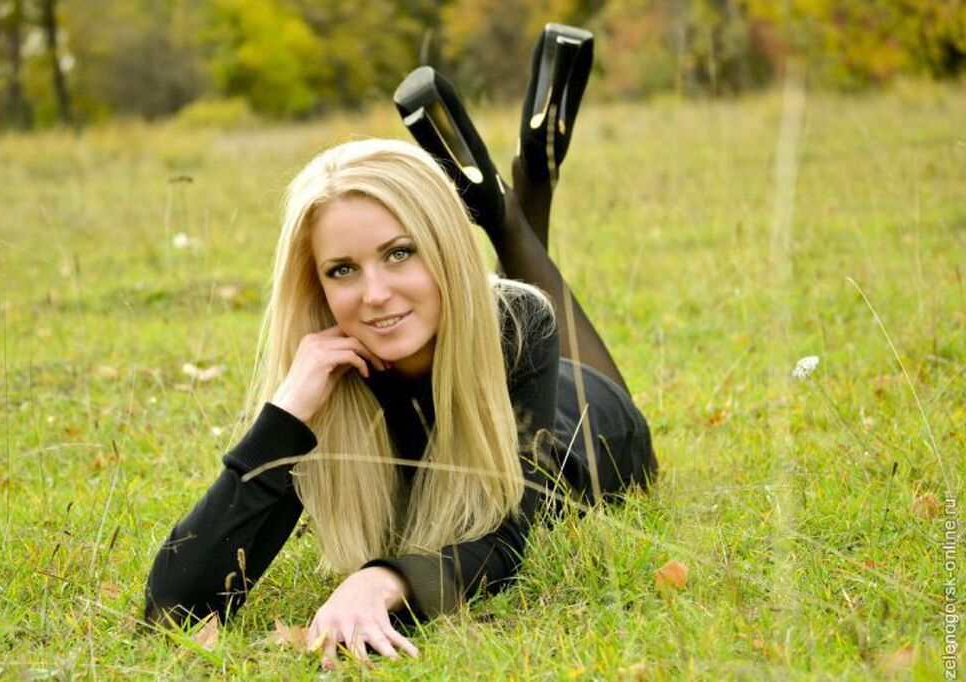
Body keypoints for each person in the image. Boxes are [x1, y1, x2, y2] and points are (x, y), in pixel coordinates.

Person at [144, 24, 656, 669]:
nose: (376, 294)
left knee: (527, 310)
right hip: (483, 331)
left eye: (399, 253)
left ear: (440, 246)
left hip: (580, 435)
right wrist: (286, 417)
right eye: (342, 270)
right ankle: (504, 210)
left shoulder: (517, 331)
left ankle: (507, 211)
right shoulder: (328, 377)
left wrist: (379, 580)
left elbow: (504, 535)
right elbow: (175, 602)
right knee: (515, 300)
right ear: (316, 286)